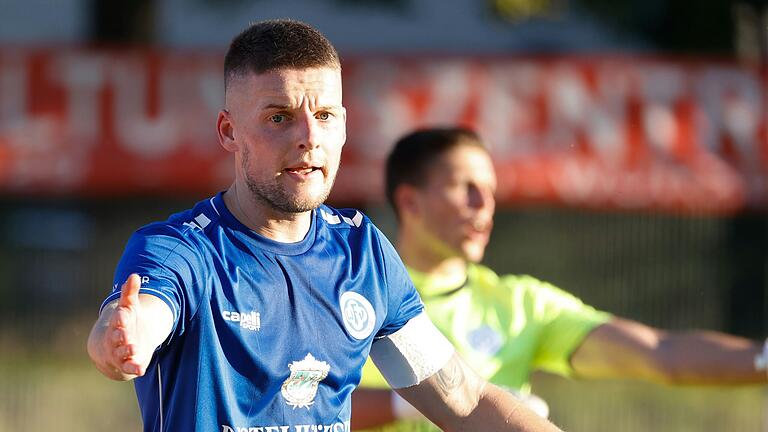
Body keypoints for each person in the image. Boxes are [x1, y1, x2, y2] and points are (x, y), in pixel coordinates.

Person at [86, 20, 561, 432]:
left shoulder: (362, 254)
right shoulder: (181, 251)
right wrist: (123, 338)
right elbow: (139, 318)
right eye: (279, 118)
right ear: (228, 131)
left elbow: (467, 401)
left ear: (344, 126)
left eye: (325, 116)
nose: (309, 138)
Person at [351, 127, 768, 431]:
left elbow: (661, 352)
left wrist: (762, 358)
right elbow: (301, 400)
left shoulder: (520, 304)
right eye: (466, 188)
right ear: (410, 201)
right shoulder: (351, 292)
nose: (485, 207)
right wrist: (420, 401)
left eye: (491, 191)